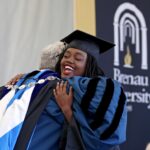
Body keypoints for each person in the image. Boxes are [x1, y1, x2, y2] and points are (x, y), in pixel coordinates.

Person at [0, 30, 127, 150]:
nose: (69, 61)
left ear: (89, 65)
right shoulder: (49, 83)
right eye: (66, 56)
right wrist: (27, 78)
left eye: (78, 59)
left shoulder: (95, 91)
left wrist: (67, 110)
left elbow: (98, 141)